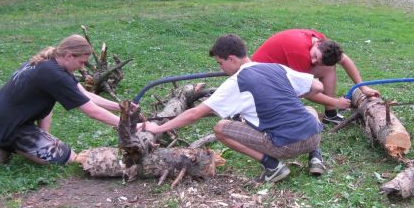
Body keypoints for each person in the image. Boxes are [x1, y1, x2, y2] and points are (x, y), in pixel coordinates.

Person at [144, 34, 325, 183]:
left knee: (220, 128)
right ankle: (316, 156)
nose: (221, 68)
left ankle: (272, 166)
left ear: (231, 59)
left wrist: (158, 128)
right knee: (309, 110)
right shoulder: (275, 68)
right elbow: (317, 87)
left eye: (220, 63)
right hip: (313, 136)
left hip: (285, 146)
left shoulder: (237, 81)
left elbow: (194, 114)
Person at [0, 35, 141, 165]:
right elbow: (92, 111)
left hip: (6, 118)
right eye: (81, 62)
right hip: (11, 126)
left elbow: (86, 95)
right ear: (69, 56)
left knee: (47, 102)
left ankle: (27, 140)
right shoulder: (54, 74)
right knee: (70, 157)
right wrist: (129, 126)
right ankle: (7, 144)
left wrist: (121, 108)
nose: (82, 68)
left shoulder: (53, 63)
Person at [251, 28, 380, 124]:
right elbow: (305, 90)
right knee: (305, 87)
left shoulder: (321, 42)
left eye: (317, 61)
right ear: (318, 44)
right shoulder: (300, 52)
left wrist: (364, 88)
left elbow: (345, 60)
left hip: (275, 70)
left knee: (328, 68)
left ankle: (330, 114)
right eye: (315, 56)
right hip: (259, 78)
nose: (313, 62)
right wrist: (336, 102)